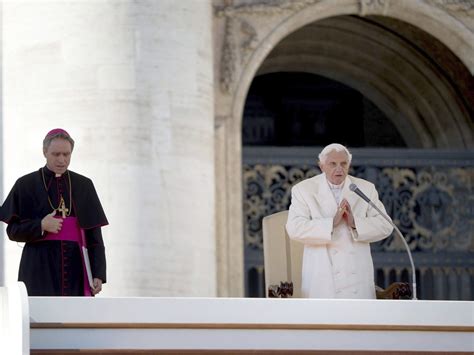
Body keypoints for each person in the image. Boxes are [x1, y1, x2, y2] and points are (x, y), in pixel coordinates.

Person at [0, 128, 108, 296]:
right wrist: (41, 225)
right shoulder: (26, 184)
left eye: (66, 154)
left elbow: (95, 237)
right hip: (38, 268)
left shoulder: (84, 185)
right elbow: (13, 232)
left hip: (76, 270)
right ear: (45, 152)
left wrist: (98, 273)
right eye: (56, 154)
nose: (62, 160)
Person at [286, 143, 393, 299]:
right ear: (321, 166)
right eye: (333, 164)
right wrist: (331, 223)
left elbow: (386, 225)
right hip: (322, 278)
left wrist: (355, 223)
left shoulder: (364, 188)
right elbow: (294, 228)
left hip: (357, 279)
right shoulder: (303, 190)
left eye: (343, 164)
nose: (339, 169)